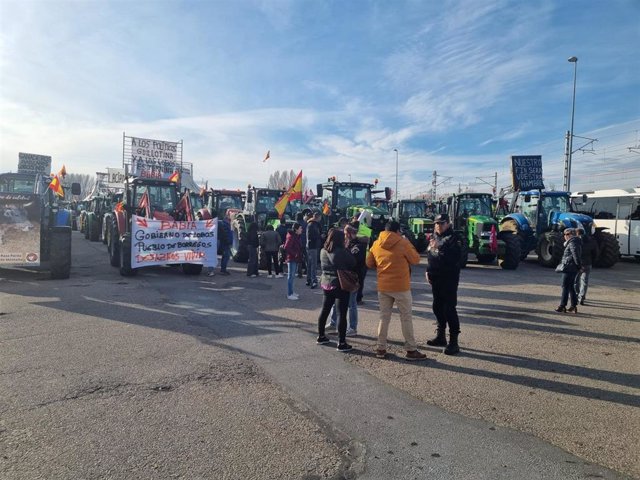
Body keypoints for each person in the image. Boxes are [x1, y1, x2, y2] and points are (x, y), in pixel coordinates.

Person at [366, 220, 426, 361]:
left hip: (383, 286)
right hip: (401, 287)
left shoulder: (376, 243)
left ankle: (381, 348)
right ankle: (411, 350)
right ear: (398, 231)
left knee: (384, 317)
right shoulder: (403, 243)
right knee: (406, 318)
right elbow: (416, 259)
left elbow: (369, 263)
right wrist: (408, 242)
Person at [425, 213, 463, 355]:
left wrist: (439, 248)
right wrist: (428, 271)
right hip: (436, 278)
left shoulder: (454, 238)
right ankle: (441, 336)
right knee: (437, 307)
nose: (438, 226)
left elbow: (453, 258)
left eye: (441, 223)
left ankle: (454, 342)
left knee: (449, 309)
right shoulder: (435, 237)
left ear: (448, 223)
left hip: (449, 279)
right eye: (436, 223)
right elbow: (430, 256)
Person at [316, 229, 357, 352]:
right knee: (341, 313)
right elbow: (352, 263)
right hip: (339, 284)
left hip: (326, 282)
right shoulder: (340, 251)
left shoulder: (323, 250)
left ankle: (321, 336)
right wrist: (348, 249)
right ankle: (342, 342)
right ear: (340, 239)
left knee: (325, 310)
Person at [555, 228, 582, 313]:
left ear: (571, 235)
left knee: (565, 286)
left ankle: (562, 305)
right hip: (571, 267)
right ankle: (573, 305)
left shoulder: (572, 242)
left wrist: (579, 266)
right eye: (564, 234)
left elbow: (575, 255)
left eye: (567, 234)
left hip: (569, 267)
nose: (565, 236)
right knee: (570, 287)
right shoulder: (575, 242)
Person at [575, 228, 597, 305]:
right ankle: (582, 297)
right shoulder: (591, 241)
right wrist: (591, 261)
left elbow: (575, 254)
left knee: (576, 281)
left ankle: (576, 295)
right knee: (584, 281)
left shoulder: (576, 242)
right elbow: (595, 253)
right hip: (588, 263)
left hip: (578, 264)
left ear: (577, 233)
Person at [284, 222, 304, 300]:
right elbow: (286, 247)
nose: (301, 229)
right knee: (290, 276)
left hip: (294, 258)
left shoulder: (296, 236)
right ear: (296, 229)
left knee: (292, 276)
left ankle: (291, 292)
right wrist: (295, 254)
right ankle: (289, 294)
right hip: (292, 258)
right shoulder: (291, 236)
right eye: (300, 228)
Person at [306, 212, 322, 288]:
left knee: (310, 264)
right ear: (318, 217)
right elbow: (312, 236)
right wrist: (320, 236)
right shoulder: (313, 225)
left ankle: (308, 279)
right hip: (313, 246)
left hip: (309, 246)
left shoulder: (310, 224)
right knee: (313, 265)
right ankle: (314, 281)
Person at [295, 212, 308, 279]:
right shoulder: (306, 223)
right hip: (305, 242)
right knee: (306, 257)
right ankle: (308, 271)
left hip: (298, 243)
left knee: (299, 258)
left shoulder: (296, 224)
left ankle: (299, 273)